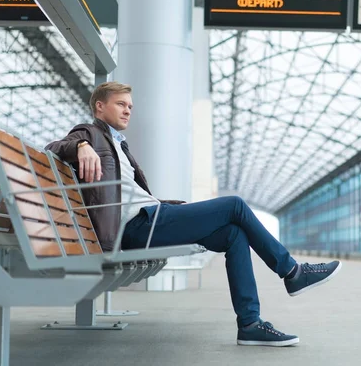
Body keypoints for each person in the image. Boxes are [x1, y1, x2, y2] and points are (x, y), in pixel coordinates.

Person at [45, 82, 342, 347]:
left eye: (130, 106)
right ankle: (293, 272)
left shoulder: (119, 144)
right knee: (234, 205)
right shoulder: (89, 134)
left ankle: (250, 324)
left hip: (151, 217)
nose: (128, 111)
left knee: (234, 234)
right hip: (136, 227)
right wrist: (81, 146)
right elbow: (54, 147)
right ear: (100, 106)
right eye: (121, 104)